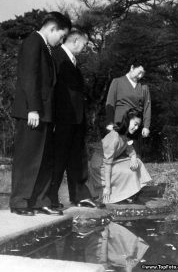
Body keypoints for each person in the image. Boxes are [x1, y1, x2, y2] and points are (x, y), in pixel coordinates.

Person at [10, 12, 72, 216]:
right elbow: (29, 77)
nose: (61, 41)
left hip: (44, 113)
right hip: (33, 112)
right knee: (28, 157)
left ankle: (39, 200)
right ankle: (20, 202)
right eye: (61, 36)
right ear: (52, 28)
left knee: (43, 159)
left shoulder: (46, 47)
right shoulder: (33, 42)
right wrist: (33, 108)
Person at [48, 29, 96, 208]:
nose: (84, 48)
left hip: (76, 119)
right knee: (58, 159)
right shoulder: (56, 56)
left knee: (78, 159)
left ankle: (80, 196)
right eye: (84, 44)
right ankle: (51, 198)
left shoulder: (72, 61)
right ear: (75, 41)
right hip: (61, 118)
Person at [86, 108, 152, 204]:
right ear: (128, 120)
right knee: (129, 171)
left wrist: (133, 158)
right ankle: (120, 193)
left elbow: (130, 149)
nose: (136, 128)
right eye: (135, 124)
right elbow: (107, 164)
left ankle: (130, 192)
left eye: (138, 125)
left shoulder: (125, 135)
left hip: (110, 163)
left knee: (137, 163)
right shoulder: (115, 137)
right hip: (100, 167)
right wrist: (107, 188)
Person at [106, 59, 151, 142]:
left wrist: (146, 126)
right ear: (132, 67)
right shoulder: (117, 82)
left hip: (135, 128)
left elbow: (147, 108)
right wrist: (110, 123)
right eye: (139, 72)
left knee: (134, 153)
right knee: (116, 151)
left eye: (143, 74)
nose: (140, 76)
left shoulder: (144, 87)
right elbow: (110, 103)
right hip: (119, 125)